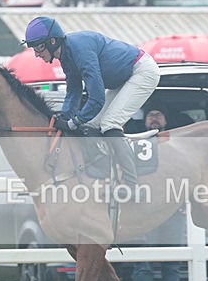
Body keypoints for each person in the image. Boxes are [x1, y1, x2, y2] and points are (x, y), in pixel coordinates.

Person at [22, 16, 160, 196]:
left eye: (39, 47)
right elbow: (74, 91)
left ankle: (133, 186)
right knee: (91, 125)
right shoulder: (65, 55)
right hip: (124, 78)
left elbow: (96, 99)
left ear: (52, 41)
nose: (37, 54)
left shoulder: (79, 50)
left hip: (142, 72)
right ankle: (106, 176)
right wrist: (64, 116)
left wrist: (73, 123)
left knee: (110, 124)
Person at [129, 107, 185, 281]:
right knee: (143, 263)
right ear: (144, 122)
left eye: (158, 115)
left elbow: (187, 175)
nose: (154, 119)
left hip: (172, 212)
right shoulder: (134, 144)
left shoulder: (176, 148)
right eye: (150, 116)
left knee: (172, 262)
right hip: (145, 213)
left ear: (166, 120)